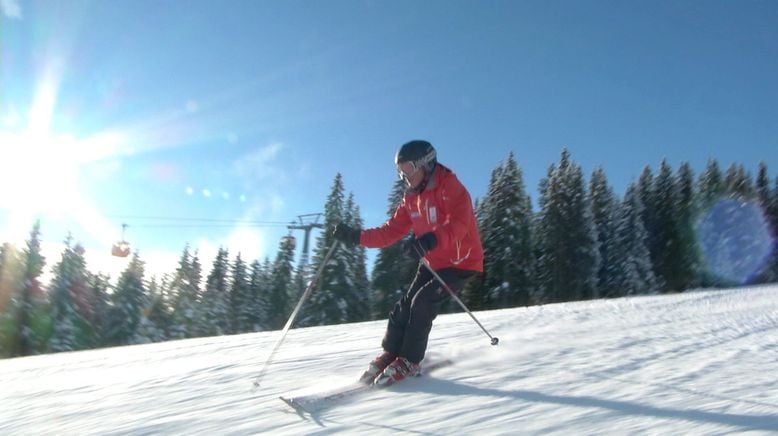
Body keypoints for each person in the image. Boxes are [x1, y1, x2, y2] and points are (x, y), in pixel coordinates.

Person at [333, 140, 484, 386]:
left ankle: (410, 360)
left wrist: (430, 239)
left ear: (426, 164)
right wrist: (356, 236)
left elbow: (459, 225)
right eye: (400, 171)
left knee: (423, 302)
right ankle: (392, 353)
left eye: (409, 169)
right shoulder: (411, 198)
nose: (404, 176)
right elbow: (389, 232)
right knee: (404, 306)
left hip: (461, 263)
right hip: (433, 261)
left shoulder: (451, 188)